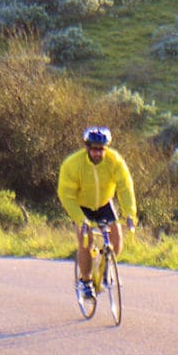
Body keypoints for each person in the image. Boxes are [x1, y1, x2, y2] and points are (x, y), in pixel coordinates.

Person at [57, 126, 137, 299]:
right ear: (87, 148)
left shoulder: (114, 160)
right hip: (81, 206)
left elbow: (125, 186)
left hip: (103, 203)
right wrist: (80, 219)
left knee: (116, 241)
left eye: (101, 149)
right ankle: (85, 281)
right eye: (94, 149)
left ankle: (105, 265)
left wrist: (130, 213)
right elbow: (66, 195)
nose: (98, 153)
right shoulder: (72, 164)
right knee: (86, 241)